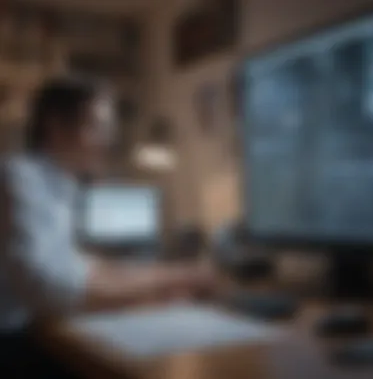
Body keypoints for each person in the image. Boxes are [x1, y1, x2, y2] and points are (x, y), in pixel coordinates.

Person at [0, 77, 214, 378]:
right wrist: (173, 278)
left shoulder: (60, 186)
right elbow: (51, 286)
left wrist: (162, 281)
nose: (109, 140)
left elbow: (79, 267)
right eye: (98, 127)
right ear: (56, 127)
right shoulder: (19, 179)